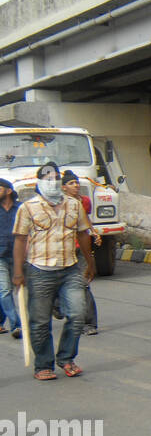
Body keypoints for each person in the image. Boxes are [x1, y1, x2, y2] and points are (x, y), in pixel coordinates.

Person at [10, 162, 95, 379]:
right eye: (48, 178)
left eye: (56, 177)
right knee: (39, 321)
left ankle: (66, 358)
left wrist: (90, 262)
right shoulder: (27, 208)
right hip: (39, 270)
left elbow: (83, 233)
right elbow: (20, 240)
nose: (53, 182)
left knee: (77, 314)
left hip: (70, 269)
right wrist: (18, 272)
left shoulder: (74, 205)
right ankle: (43, 365)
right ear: (39, 182)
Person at [60, 170, 100, 336]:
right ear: (63, 188)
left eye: (76, 182)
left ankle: (89, 323)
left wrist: (94, 232)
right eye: (71, 183)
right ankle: (59, 306)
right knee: (59, 284)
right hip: (64, 249)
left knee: (84, 285)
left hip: (81, 248)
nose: (76, 185)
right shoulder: (59, 204)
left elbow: (86, 221)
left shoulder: (85, 201)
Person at [0, 178, 21, 337]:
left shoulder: (20, 208)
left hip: (18, 255)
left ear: (8, 191)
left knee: (17, 290)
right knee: (5, 290)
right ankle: (16, 325)